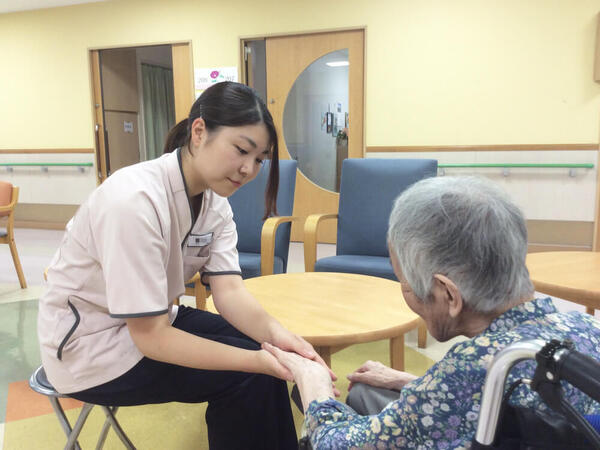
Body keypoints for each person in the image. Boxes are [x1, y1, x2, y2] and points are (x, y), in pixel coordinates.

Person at [37, 81, 335, 450]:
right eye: (241, 150)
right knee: (248, 376)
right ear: (199, 132)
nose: (248, 169)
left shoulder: (214, 203)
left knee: (263, 350)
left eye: (259, 159)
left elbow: (229, 293)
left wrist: (278, 336)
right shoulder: (132, 201)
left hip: (151, 321)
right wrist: (257, 362)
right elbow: (151, 338)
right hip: (92, 351)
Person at [264, 176, 600, 449]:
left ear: (448, 294)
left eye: (405, 283)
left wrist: (314, 386)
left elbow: (337, 444)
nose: (404, 293)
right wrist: (410, 381)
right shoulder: (584, 326)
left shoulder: (471, 367)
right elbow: (499, 403)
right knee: (368, 391)